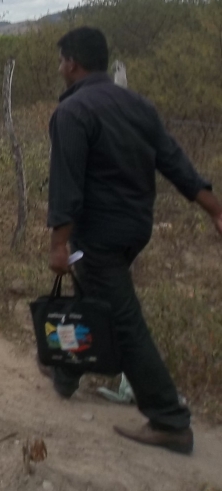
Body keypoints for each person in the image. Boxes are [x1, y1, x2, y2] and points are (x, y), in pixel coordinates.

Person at [42, 26, 222, 455]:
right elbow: (175, 162)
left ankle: (169, 419)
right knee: (93, 297)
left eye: (61, 60)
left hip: (98, 235)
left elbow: (67, 184)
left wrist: (58, 243)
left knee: (123, 322)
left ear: (72, 63)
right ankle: (66, 372)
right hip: (136, 229)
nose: (59, 68)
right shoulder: (138, 105)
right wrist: (215, 210)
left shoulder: (72, 112)